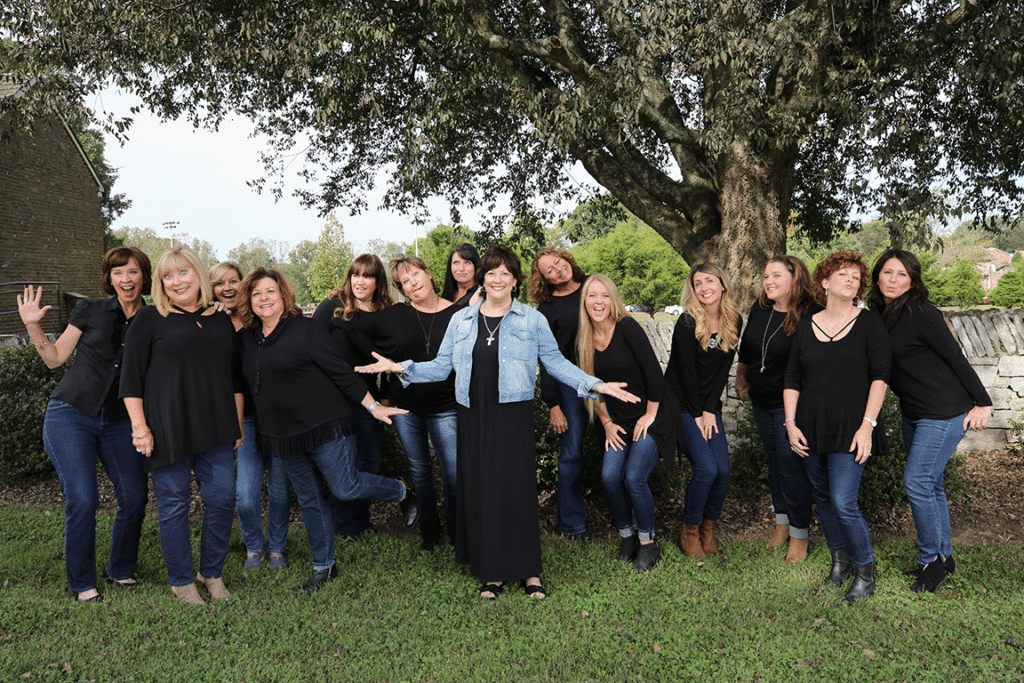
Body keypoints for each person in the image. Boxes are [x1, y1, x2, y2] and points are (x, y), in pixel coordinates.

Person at [356, 245, 639, 599]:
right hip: (473, 413)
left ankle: (529, 571)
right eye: (491, 273)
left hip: (512, 411)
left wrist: (595, 384)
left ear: (515, 280)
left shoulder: (531, 319)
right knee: (484, 490)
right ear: (483, 279)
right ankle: (493, 573)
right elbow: (442, 366)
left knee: (516, 490)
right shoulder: (460, 320)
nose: (498, 278)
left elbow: (554, 361)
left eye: (505, 272)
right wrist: (400, 367)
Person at [235, 268, 419, 594]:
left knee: (344, 487)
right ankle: (325, 566)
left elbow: (341, 373)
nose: (264, 299)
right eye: (256, 294)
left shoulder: (306, 329)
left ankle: (401, 491)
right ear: (249, 300)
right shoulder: (246, 340)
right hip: (283, 435)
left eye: (270, 292)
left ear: (284, 296)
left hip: (326, 424)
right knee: (309, 499)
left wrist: (373, 406)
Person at [16, 248, 151, 603]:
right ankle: (82, 582)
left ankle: (120, 569)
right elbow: (55, 358)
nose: (126, 279)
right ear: (110, 279)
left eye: (133, 271)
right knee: (84, 499)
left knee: (135, 498)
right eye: (118, 272)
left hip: (121, 421)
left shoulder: (154, 318)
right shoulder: (89, 310)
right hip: (71, 415)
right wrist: (33, 325)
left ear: (143, 277)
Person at [121, 247, 244, 606]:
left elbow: (235, 378)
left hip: (217, 427)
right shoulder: (149, 318)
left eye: (184, 272)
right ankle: (181, 581)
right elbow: (130, 381)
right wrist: (140, 429)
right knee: (174, 505)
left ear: (198, 274)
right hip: (167, 427)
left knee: (222, 499)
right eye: (168, 276)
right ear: (161, 284)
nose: (177, 281)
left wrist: (236, 424)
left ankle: (211, 573)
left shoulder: (221, 318)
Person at [869, 249, 991, 593]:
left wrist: (983, 402)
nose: (893, 280)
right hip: (913, 413)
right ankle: (945, 555)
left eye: (902, 275)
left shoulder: (922, 313)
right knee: (931, 484)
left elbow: (955, 356)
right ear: (877, 276)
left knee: (917, 482)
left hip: (944, 411)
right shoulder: (878, 315)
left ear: (913, 281)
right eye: (887, 273)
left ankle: (930, 562)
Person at [784, 249, 890, 604]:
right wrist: (790, 423)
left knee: (844, 501)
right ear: (824, 282)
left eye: (856, 276)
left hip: (852, 427)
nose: (851, 279)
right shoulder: (806, 324)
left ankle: (865, 572)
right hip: (809, 427)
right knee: (825, 499)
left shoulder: (869, 322)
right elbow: (792, 378)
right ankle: (839, 561)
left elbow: (880, 377)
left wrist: (867, 427)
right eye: (843, 274)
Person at [342, 255, 462, 550]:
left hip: (446, 405)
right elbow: (354, 328)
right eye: (404, 283)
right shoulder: (395, 314)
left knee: (454, 473)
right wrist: (384, 361)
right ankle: (429, 534)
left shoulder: (459, 314)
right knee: (420, 471)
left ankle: (460, 532)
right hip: (405, 406)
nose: (412, 285)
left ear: (429, 274)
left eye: (415, 276)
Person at [575, 274, 678, 572]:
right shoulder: (585, 339)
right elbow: (593, 388)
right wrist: (606, 422)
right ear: (584, 301)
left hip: (653, 415)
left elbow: (653, 374)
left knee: (634, 478)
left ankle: (648, 542)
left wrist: (650, 413)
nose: (599, 302)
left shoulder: (627, 327)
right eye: (592, 296)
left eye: (604, 296)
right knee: (610, 477)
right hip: (617, 420)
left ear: (613, 299)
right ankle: (627, 537)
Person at [736, 256, 818, 562]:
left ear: (795, 279)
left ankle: (800, 533)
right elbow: (747, 347)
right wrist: (741, 374)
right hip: (762, 399)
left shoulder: (811, 314)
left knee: (791, 464)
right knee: (774, 463)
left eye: (776, 276)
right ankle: (782, 524)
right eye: (765, 275)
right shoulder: (761, 309)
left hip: (794, 407)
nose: (768, 281)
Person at [209, 262, 291, 570]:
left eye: (233, 281)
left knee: (280, 490)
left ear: (245, 286)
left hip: (279, 416)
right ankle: (254, 546)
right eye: (219, 283)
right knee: (245, 494)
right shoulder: (210, 320)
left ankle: (277, 549)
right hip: (244, 420)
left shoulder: (261, 318)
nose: (227, 287)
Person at [312, 254, 394, 540]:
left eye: (368, 276)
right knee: (344, 464)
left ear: (377, 282)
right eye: (356, 275)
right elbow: (311, 349)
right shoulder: (332, 308)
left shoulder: (386, 312)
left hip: (369, 400)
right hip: (334, 399)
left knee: (369, 460)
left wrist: (384, 398)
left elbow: (389, 362)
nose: (361, 281)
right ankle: (345, 527)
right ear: (349, 277)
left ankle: (361, 521)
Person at [665, 263, 743, 559]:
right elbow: (686, 373)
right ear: (693, 290)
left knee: (722, 470)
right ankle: (689, 530)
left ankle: (709, 528)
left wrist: (710, 409)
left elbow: (723, 370)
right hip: (681, 403)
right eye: (698, 283)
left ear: (722, 285)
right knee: (706, 468)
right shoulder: (687, 321)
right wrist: (698, 413)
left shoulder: (734, 319)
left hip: (706, 407)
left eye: (710, 281)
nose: (704, 287)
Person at [528, 247, 590, 541]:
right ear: (544, 280)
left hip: (607, 380)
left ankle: (627, 520)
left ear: (567, 259)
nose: (557, 269)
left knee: (618, 445)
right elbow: (546, 361)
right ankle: (572, 524)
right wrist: (553, 404)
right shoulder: (547, 310)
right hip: (569, 385)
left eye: (558, 262)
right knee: (571, 453)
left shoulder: (594, 287)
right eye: (548, 271)